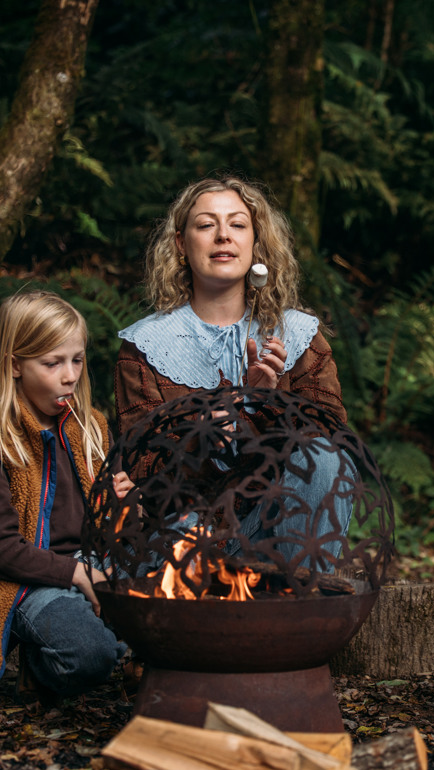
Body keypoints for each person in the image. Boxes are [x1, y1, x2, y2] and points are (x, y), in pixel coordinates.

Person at [114, 176, 351, 567]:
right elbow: (140, 471)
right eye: (206, 225)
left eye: (238, 224)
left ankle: (301, 604)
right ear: (180, 245)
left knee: (323, 456)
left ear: (255, 244)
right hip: (185, 545)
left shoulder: (300, 338)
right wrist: (200, 439)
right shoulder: (144, 348)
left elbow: (331, 450)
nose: (223, 235)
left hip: (279, 538)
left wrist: (267, 403)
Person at [0, 290, 134, 700]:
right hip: (28, 585)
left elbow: (112, 521)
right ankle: (40, 666)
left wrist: (126, 502)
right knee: (93, 656)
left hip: (97, 564)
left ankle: (117, 642)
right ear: (14, 365)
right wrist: (76, 575)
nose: (70, 375)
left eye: (77, 360)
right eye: (52, 363)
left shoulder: (91, 428)